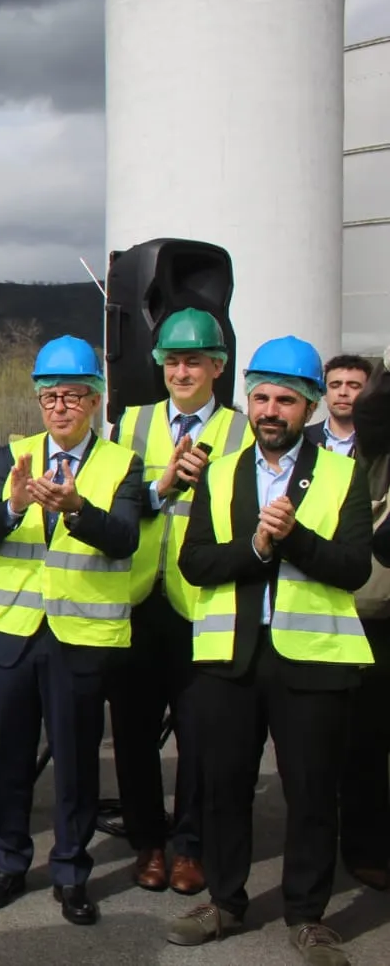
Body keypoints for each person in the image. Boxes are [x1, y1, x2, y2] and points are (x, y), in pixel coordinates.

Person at [167, 335, 372, 966]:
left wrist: (296, 539)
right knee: (223, 785)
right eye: (260, 397)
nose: (270, 410)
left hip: (310, 660)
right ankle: (225, 902)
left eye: (285, 399)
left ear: (309, 407)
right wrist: (258, 548)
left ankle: (307, 916)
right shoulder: (221, 470)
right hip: (229, 658)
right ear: (247, 401)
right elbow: (195, 561)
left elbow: (354, 568)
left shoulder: (342, 472)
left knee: (310, 791)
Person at [0, 335, 143, 926]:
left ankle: (71, 872)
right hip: (15, 634)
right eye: (49, 397)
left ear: (94, 401)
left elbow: (124, 540)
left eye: (72, 395)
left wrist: (75, 509)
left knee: (75, 764)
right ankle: (10, 862)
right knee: (9, 759)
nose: (60, 407)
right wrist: (14, 505)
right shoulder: (11, 455)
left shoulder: (121, 462)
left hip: (79, 639)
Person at [106, 309, 251, 895]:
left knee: (200, 736)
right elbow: (111, 502)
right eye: (173, 360)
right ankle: (148, 842)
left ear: (217, 367)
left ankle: (189, 846)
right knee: (134, 733)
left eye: (194, 361)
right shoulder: (130, 424)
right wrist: (157, 487)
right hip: (140, 600)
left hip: (205, 604)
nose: (182, 371)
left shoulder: (240, 431)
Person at [340, 348, 390, 891]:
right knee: (368, 740)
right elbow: (376, 412)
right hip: (373, 610)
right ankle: (366, 846)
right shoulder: (374, 438)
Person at [305, 354, 370, 457]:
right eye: (335, 386)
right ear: (324, 393)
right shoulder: (301, 438)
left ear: (368, 393)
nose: (343, 392)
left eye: (354, 386)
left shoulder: (381, 443)